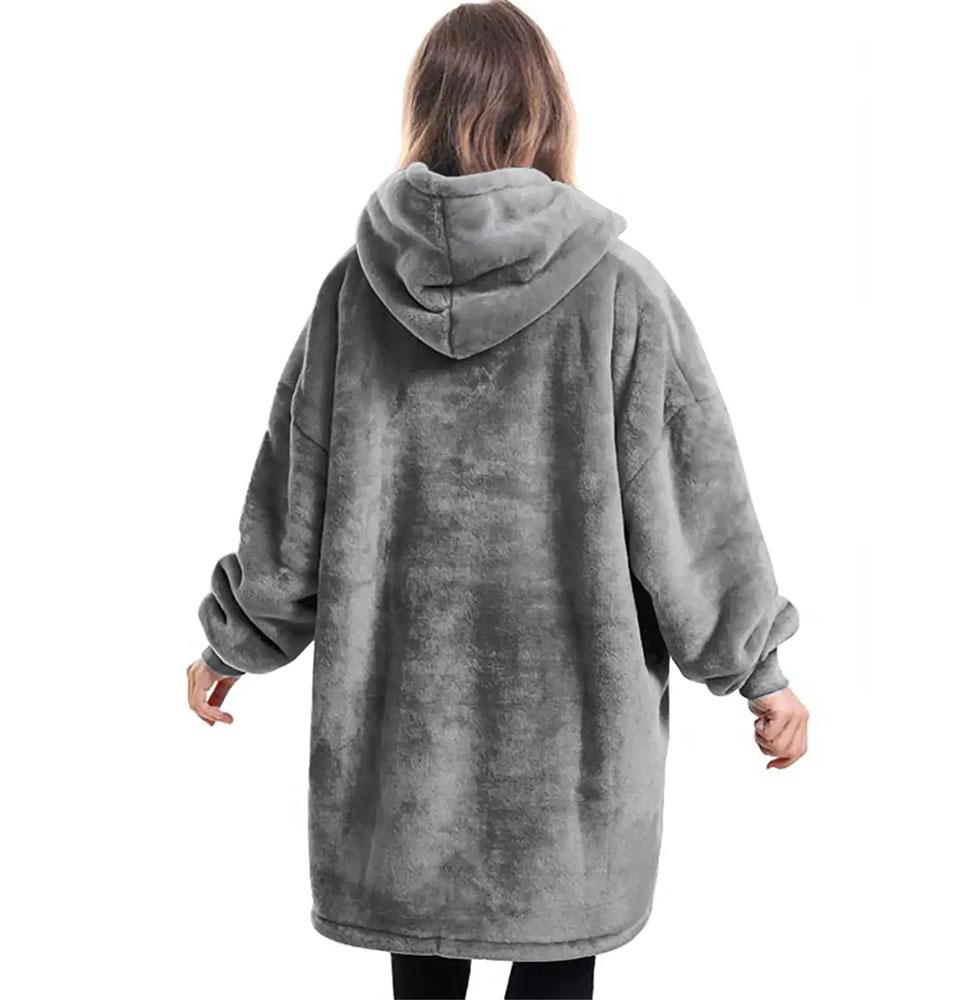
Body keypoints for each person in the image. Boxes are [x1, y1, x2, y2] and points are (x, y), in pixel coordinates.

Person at [187, 2, 810, 997]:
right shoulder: (617, 293)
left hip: (401, 762)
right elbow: (695, 505)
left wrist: (234, 646)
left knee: (421, 973)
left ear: (424, 111)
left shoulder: (354, 294)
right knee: (557, 967)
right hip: (570, 762)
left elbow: (290, 506)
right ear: (546, 112)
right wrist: (760, 674)